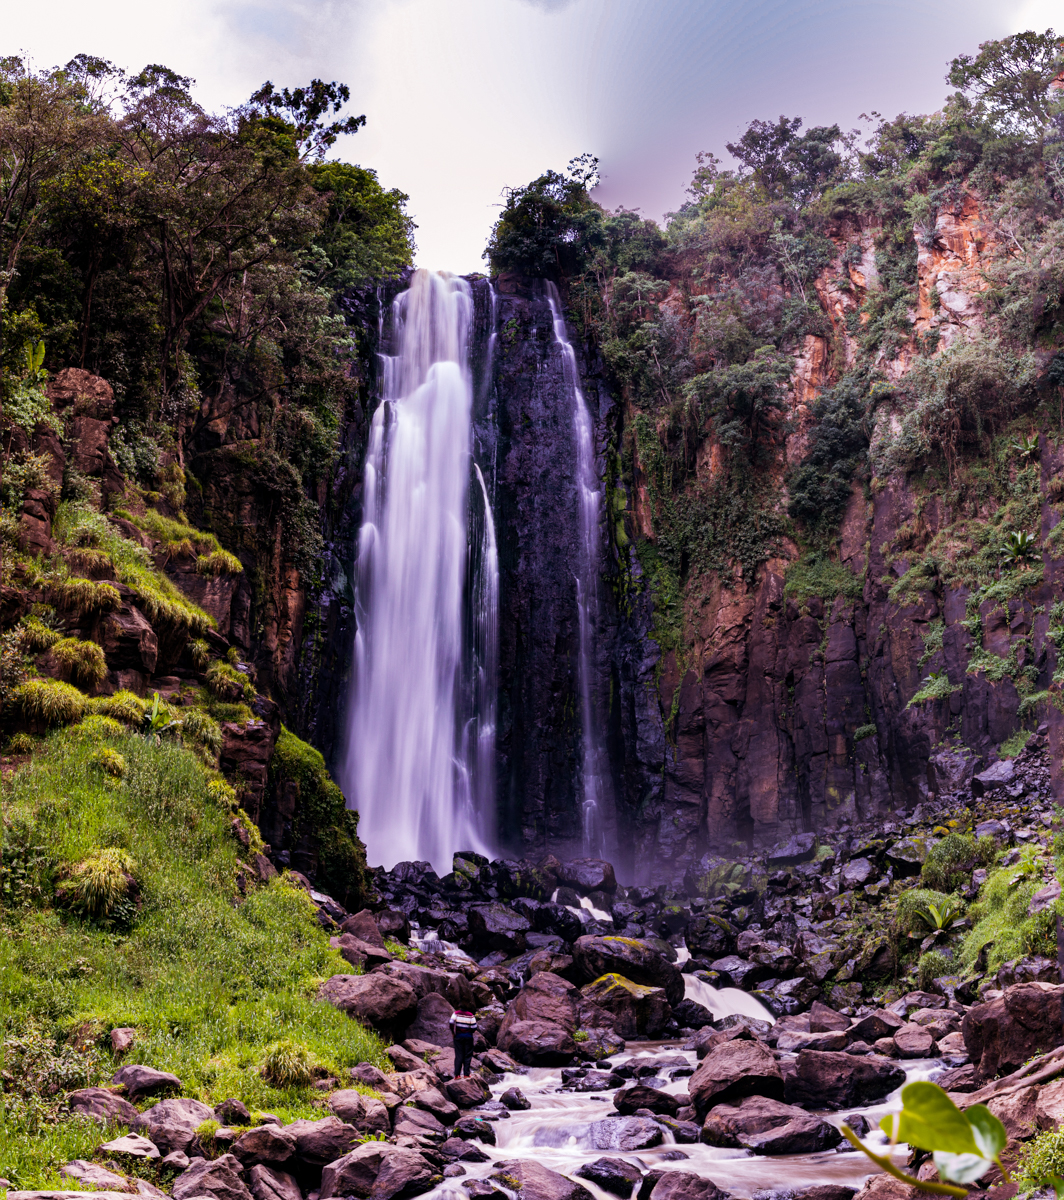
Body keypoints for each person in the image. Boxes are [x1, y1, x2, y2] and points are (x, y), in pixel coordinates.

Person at [449, 1008, 477, 1077]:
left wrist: (453, 1032)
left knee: (459, 1055)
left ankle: (457, 1075)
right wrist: (470, 1031)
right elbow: (474, 1027)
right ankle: (466, 1074)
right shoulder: (471, 1015)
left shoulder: (456, 1013)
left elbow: (451, 1022)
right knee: (468, 1055)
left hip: (458, 1037)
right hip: (468, 1037)